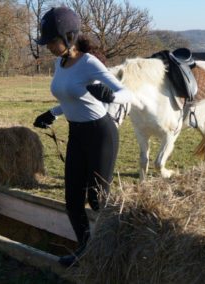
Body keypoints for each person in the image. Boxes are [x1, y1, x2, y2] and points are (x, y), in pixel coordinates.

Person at [33, 6, 132, 267]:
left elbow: (126, 93)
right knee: (72, 201)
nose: (49, 47)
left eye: (52, 41)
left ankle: (113, 252)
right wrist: (53, 113)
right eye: (48, 42)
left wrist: (111, 96)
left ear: (68, 36)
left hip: (101, 133)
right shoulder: (60, 62)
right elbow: (69, 96)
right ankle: (85, 251)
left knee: (98, 199)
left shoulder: (89, 62)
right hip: (77, 133)